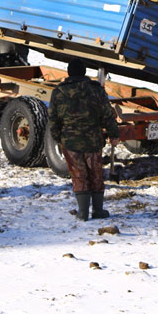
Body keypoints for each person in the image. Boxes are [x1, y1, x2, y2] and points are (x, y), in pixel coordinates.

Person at [48, 58, 120, 221]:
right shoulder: (96, 90)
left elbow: (52, 119)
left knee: (79, 175)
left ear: (68, 72)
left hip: (70, 142)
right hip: (93, 141)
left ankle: (82, 213)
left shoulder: (58, 92)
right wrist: (113, 134)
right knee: (96, 174)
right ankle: (98, 211)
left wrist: (59, 138)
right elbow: (107, 115)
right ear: (84, 72)